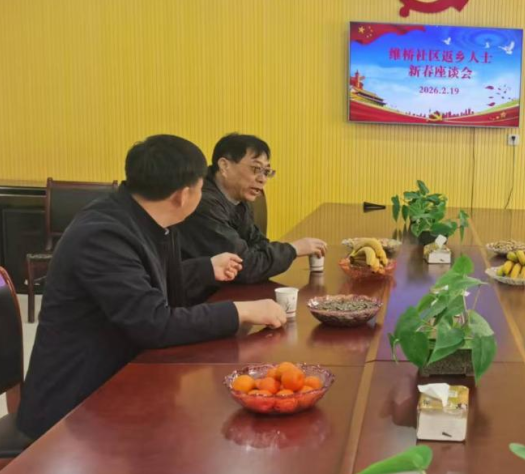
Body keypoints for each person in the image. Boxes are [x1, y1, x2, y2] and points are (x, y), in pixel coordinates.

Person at [18, 135, 288, 439]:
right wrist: (241, 311)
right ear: (184, 195)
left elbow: (146, 280)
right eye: (202, 186)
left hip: (123, 380)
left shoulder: (148, 218)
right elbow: (154, 323)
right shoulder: (103, 235)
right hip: (76, 408)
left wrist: (205, 268)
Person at [179, 133, 326, 284]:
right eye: (256, 169)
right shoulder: (203, 202)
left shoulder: (238, 196)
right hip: (200, 293)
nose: (263, 179)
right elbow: (244, 266)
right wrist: (293, 249)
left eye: (266, 172)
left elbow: (257, 243)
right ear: (224, 166)